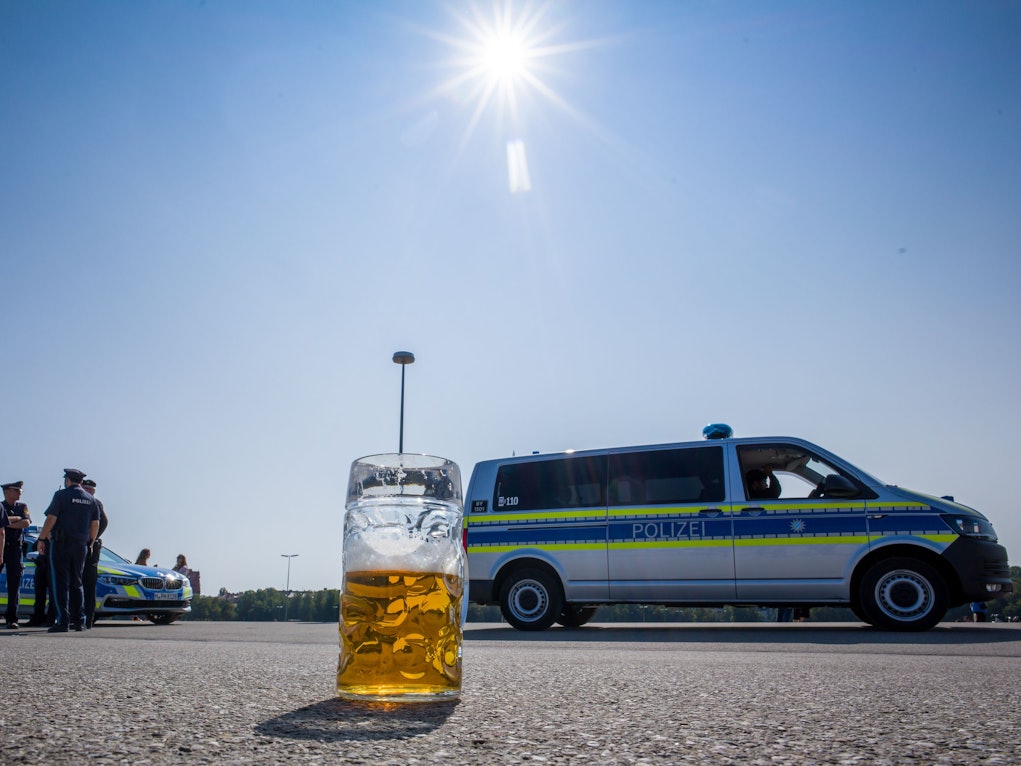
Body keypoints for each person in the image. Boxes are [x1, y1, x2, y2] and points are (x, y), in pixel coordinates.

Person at [36, 469, 101, 633]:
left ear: (67, 480)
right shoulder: (91, 499)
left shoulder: (61, 495)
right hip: (81, 545)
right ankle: (80, 621)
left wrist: (42, 538)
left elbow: (51, 518)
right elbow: (95, 524)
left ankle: (63, 621)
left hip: (61, 544)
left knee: (60, 583)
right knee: (77, 582)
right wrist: (90, 542)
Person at [1, 481, 32, 629]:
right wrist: (15, 519)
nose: (19, 492)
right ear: (6, 492)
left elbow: (25, 523)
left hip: (15, 549)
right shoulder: (1, 506)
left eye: (20, 490)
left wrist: (5, 522)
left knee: (14, 586)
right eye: (15, 490)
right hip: (1, 547)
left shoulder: (22, 507)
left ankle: (11, 618)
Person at [80, 478, 109, 629]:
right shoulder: (89, 502)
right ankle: (83, 618)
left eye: (91, 491)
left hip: (87, 547)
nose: (89, 493)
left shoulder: (95, 503)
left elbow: (103, 522)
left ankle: (85, 618)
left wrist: (91, 538)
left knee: (86, 584)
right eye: (88, 490)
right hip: (85, 545)